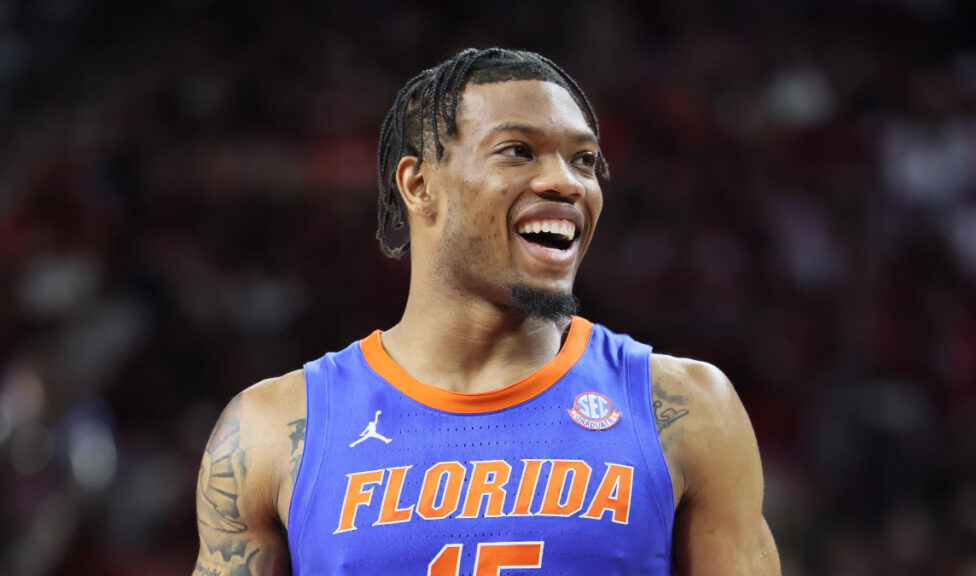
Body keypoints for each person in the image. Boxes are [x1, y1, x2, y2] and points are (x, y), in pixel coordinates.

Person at [192, 47, 781, 576]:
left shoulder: (686, 410)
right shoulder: (270, 430)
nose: (566, 182)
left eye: (582, 160)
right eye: (518, 152)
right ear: (419, 186)